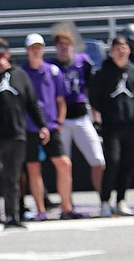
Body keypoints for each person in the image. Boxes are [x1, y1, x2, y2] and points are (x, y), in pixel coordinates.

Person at [0, 39, 48, 228]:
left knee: (12, 178)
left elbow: (31, 102)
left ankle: (12, 216)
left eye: (1, 54)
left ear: (8, 54)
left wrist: (42, 125)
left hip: (16, 133)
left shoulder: (20, 75)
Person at [21, 33, 83, 220]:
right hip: (30, 127)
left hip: (51, 126)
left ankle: (66, 207)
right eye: (33, 47)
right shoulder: (22, 73)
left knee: (64, 164)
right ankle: (41, 210)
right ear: (27, 50)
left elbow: (60, 100)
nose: (36, 50)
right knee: (33, 168)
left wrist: (59, 122)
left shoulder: (53, 71)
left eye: (39, 46)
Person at [50, 31, 106, 198]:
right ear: (56, 47)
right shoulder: (52, 67)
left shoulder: (83, 62)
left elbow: (91, 91)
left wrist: (96, 118)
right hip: (61, 120)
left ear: (72, 46)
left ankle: (103, 200)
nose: (64, 48)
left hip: (82, 116)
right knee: (64, 165)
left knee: (98, 160)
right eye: (61, 44)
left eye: (67, 44)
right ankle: (67, 204)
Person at [89, 36, 134, 217]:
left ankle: (121, 200)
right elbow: (94, 99)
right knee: (113, 161)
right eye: (117, 48)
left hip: (130, 125)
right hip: (111, 126)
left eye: (124, 47)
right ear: (111, 51)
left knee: (127, 163)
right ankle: (105, 201)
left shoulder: (132, 71)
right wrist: (98, 119)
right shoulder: (103, 73)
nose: (121, 51)